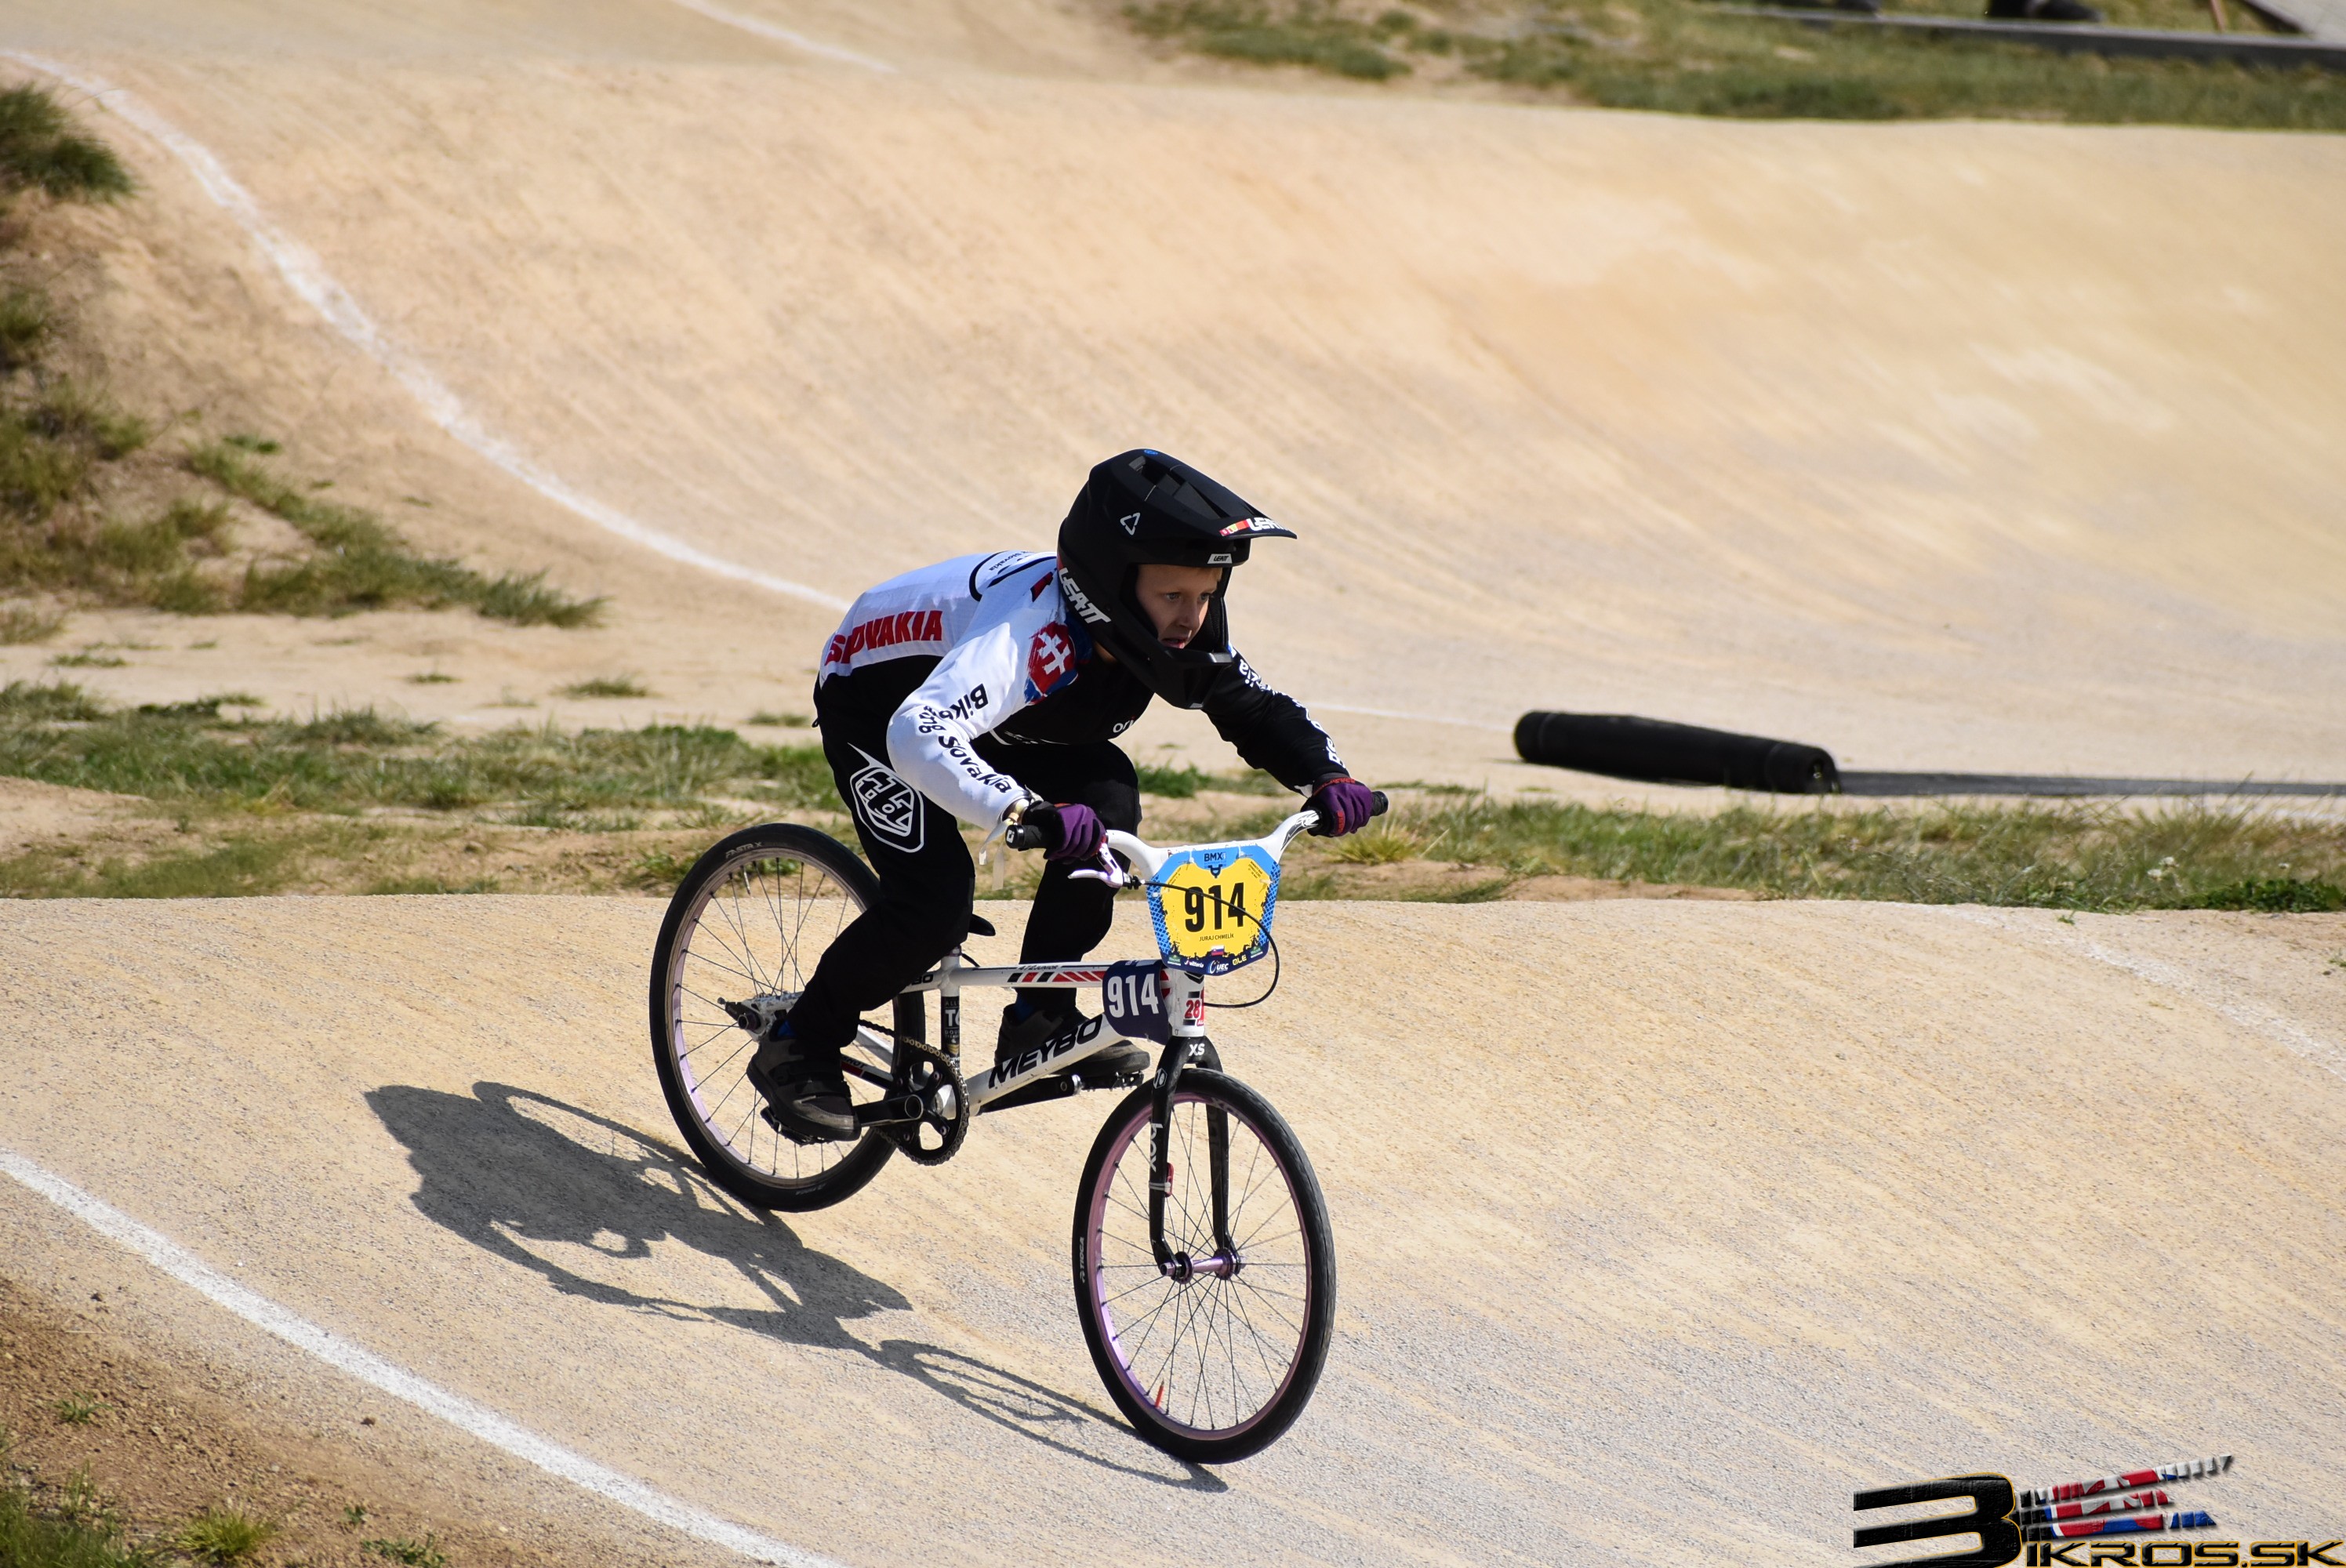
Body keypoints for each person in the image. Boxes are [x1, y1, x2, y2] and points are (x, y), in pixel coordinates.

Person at [748, 449, 1378, 1143]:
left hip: (999, 722)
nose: (1192, 618)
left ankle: (1037, 1019)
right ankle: (801, 1041)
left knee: (1110, 802)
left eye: (1206, 595)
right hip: (884, 710)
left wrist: (1328, 776)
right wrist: (1019, 808)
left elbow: (1257, 710)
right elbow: (919, 731)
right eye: (1173, 596)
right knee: (932, 903)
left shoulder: (1166, 631)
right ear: (1110, 585)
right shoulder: (1032, 635)